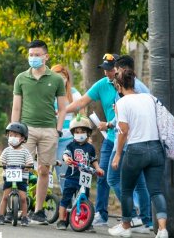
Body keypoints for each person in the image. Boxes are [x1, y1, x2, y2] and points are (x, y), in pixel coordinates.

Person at [64, 53, 150, 228]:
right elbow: (81, 101)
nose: (107, 73)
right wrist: (61, 113)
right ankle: (102, 214)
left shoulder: (134, 87)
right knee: (103, 175)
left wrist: (111, 126)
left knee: (128, 180)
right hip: (112, 137)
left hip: (128, 138)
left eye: (111, 70)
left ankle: (138, 217)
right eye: (105, 70)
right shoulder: (104, 85)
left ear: (119, 69)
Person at [11, 39, 66, 225]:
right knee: (22, 168)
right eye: (31, 55)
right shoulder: (21, 78)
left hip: (49, 129)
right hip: (26, 129)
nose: (33, 58)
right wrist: (13, 130)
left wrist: (58, 130)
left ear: (46, 56)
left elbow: (63, 108)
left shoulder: (57, 79)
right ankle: (20, 207)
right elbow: (16, 107)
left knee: (44, 170)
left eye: (37, 55)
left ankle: (39, 210)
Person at [108, 67, 169, 238]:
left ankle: (126, 226)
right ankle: (163, 229)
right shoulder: (150, 98)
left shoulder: (121, 103)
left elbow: (123, 131)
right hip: (156, 149)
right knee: (155, 191)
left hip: (136, 150)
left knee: (127, 189)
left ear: (119, 86)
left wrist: (118, 154)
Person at [55, 116, 104, 230]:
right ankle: (61, 220)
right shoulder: (71, 145)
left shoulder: (90, 147)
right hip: (72, 177)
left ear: (88, 133)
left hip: (85, 178)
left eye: (83, 132)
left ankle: (86, 221)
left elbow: (93, 160)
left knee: (85, 199)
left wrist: (98, 168)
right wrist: (66, 158)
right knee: (66, 198)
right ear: (73, 133)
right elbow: (65, 154)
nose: (80, 134)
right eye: (77, 132)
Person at [51, 64, 83, 191]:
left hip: (66, 140)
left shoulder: (74, 94)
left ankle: (67, 204)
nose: (60, 79)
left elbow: (81, 114)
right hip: (48, 139)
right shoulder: (47, 92)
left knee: (63, 174)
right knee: (43, 173)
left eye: (63, 77)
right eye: (57, 76)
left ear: (67, 78)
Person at [0, 122, 34, 226]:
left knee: (22, 197)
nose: (13, 137)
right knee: (5, 197)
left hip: (21, 177)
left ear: (22, 138)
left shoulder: (25, 152)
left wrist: (27, 167)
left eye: (16, 135)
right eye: (11, 135)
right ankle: (1, 216)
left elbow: (29, 162)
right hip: (9, 176)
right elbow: (3, 161)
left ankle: (25, 217)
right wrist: (4, 165)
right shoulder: (7, 150)